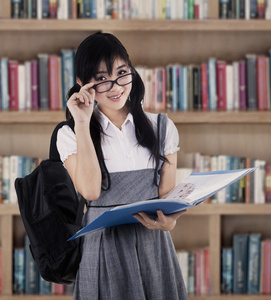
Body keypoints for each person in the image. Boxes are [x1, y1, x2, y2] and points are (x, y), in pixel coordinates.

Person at [56, 32, 188, 299]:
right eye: (102, 79)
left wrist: (169, 223)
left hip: (154, 246)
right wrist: (81, 122)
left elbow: (165, 199)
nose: (116, 87)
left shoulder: (162, 127)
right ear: (83, 84)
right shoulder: (69, 134)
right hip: (104, 246)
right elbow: (91, 191)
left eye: (122, 72)